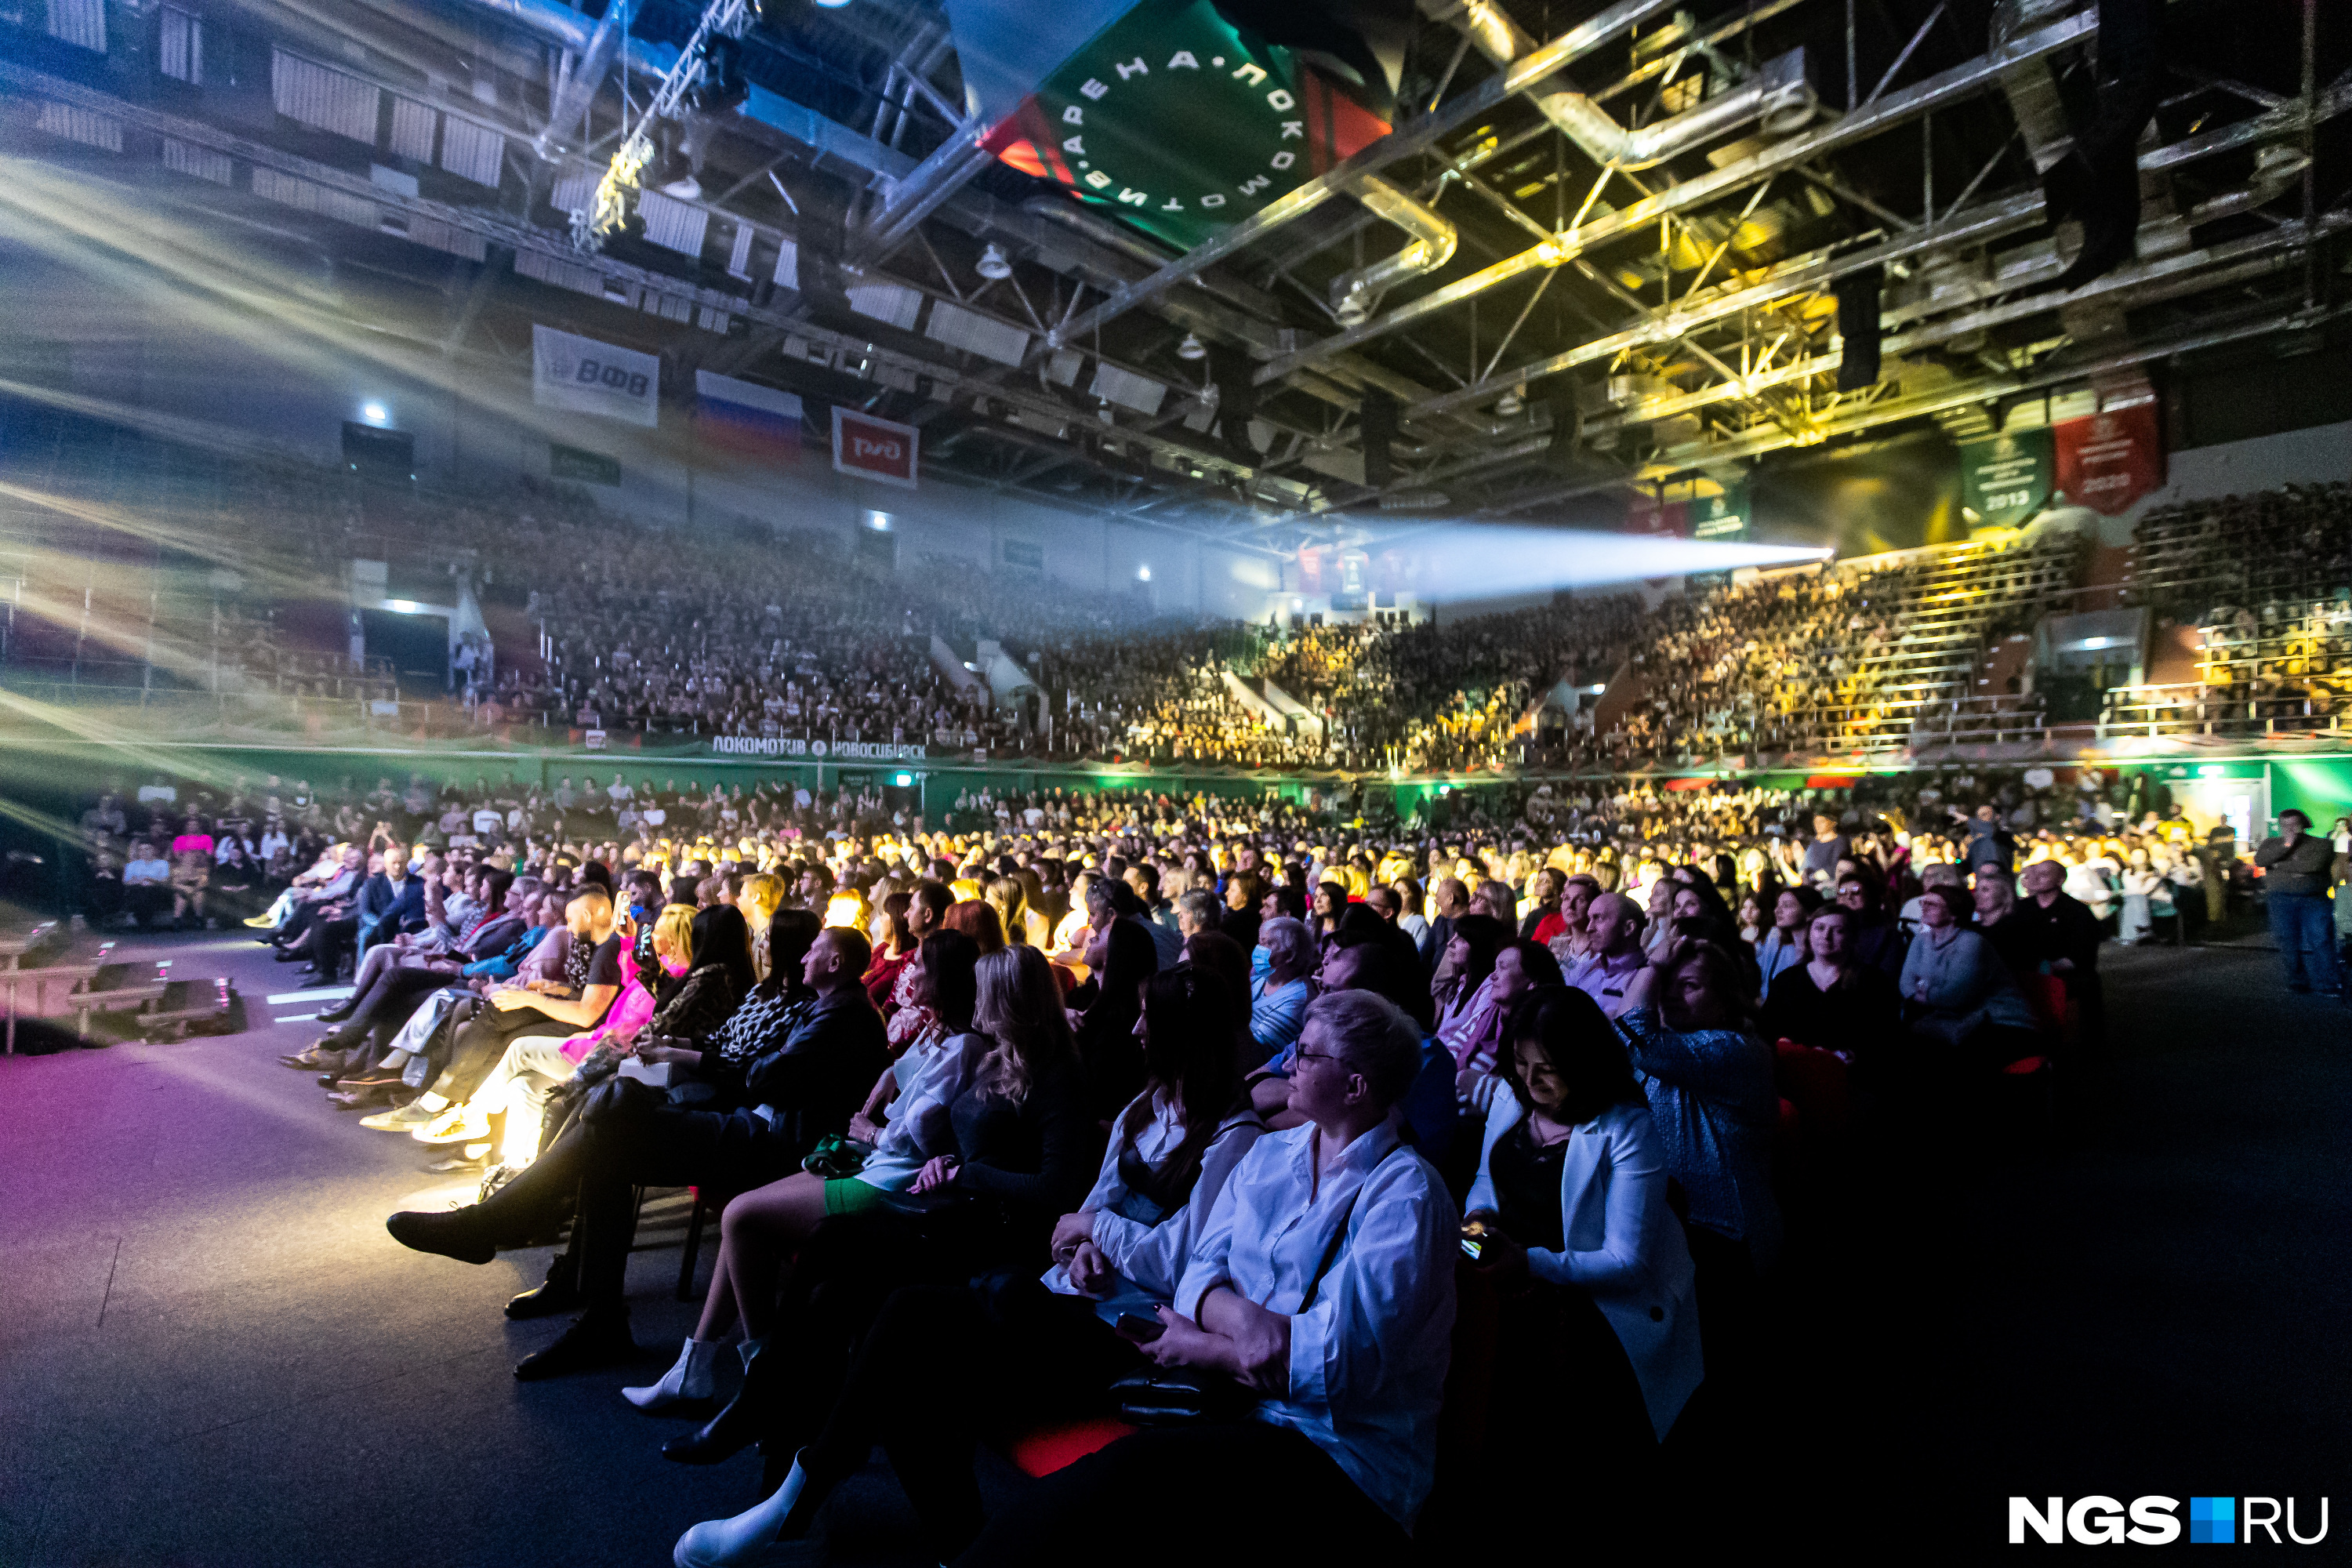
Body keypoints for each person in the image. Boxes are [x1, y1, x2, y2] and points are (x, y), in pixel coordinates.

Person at [670, 964, 1264, 1566]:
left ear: (1184, 1034)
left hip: (1131, 1333)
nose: (1136, 1030)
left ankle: (796, 1488)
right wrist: (1080, 1244)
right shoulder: (1147, 1107)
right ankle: (912, 1531)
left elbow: (1179, 1260)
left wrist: (1094, 1231)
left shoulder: (1233, 1136)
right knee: (867, 1315)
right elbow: (1075, 1220)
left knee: (897, 1317)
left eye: (1150, 1018)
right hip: (1066, 1289)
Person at [943, 989, 1457, 1568]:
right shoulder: (1273, 1157)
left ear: (1355, 1086)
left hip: (1341, 1455)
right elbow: (1198, 1274)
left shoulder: (1406, 1196)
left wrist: (1207, 1346)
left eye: (1308, 1055)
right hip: (1238, 1409)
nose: (1288, 1062)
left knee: (1122, 1478)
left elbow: (1332, 1367)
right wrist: (1244, 1321)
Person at [383, 924, 888, 1378]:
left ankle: (507, 1234)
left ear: (834, 963)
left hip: (776, 1146)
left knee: (611, 1119)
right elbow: (756, 1065)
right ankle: (550, 1272)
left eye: (813, 953)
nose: (801, 960)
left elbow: (763, 1075)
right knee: (609, 1124)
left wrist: (756, 1063)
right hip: (759, 1125)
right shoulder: (828, 1009)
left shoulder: (844, 1016)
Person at [1462, 986, 1701, 1524]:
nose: (1529, 1081)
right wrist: (1474, 1237)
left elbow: (1627, 1261)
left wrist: (1528, 1263)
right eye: (1520, 1063)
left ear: (1584, 1063)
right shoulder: (1513, 1097)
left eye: (1546, 1068)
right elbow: (1484, 1185)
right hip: (1511, 1278)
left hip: (1593, 1306)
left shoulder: (1626, 1127)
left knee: (1568, 1462)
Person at [1615, 938, 1780, 1378]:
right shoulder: (1677, 1046)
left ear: (1726, 999)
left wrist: (1651, 966)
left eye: (1688, 985)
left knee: (1717, 1369)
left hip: (1723, 1235)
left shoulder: (1733, 1049)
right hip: (1674, 1226)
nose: (1670, 994)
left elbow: (1635, 1039)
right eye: (1667, 983)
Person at [1759, 904, 1900, 1062]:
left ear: (1852, 937)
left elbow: (1886, 1033)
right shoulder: (1788, 980)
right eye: (1819, 928)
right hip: (1794, 1070)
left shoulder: (1872, 980)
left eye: (1838, 930)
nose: (1826, 936)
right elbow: (1767, 1029)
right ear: (1809, 932)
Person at [2253, 809, 2344, 999]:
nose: (2290, 829)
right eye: (2285, 825)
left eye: (2294, 825)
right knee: (2288, 942)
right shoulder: (2271, 844)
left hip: (2313, 899)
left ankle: (2328, 983)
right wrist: (2286, 846)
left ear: (2304, 824)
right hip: (2280, 900)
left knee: (2321, 941)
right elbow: (2261, 860)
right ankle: (2298, 982)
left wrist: (2278, 865)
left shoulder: (2322, 844)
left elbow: (2313, 866)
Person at [2016, 859, 2107, 1050]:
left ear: (2060, 879)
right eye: (2035, 873)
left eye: (2045, 874)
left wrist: (2049, 967)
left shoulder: (2076, 911)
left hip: (2067, 972)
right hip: (2030, 970)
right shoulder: (2023, 909)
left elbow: (2081, 954)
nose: (2037, 878)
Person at [1563, 891, 1647, 1018]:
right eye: (1590, 919)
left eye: (1599, 918)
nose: (1589, 928)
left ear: (1629, 928)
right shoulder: (1584, 970)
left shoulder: (1644, 979)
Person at [1246, 916, 1315, 1065]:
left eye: (1268, 944)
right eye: (1260, 942)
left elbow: (1255, 1051)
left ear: (1289, 955)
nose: (1259, 950)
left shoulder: (1298, 998)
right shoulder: (1261, 978)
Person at [1753, 886, 1820, 999]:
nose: (1777, 911)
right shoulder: (1776, 940)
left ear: (1809, 913)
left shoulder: (1820, 949)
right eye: (1778, 905)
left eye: (1787, 906)